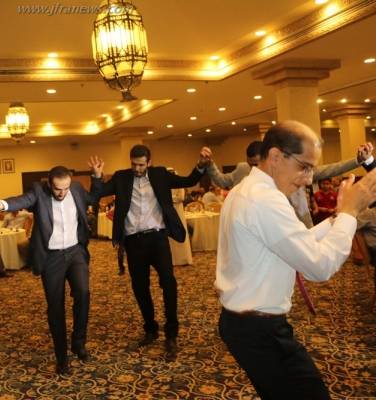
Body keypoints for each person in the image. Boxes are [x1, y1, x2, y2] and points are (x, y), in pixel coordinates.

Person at [216, 121, 376, 399]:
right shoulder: (264, 200)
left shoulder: (248, 190)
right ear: (276, 157)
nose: (308, 178)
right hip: (259, 330)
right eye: (304, 167)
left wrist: (338, 217)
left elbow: (295, 243)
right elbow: (319, 266)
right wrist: (350, 213)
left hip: (248, 324)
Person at [92, 144, 212, 360]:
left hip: (158, 239)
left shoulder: (160, 174)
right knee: (140, 287)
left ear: (149, 162)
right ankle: (150, 328)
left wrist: (201, 165)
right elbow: (99, 193)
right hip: (133, 241)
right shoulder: (121, 177)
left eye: (141, 165)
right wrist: (98, 176)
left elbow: (188, 181)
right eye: (134, 164)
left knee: (169, 283)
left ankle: (171, 333)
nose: (137, 169)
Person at [0, 163, 103, 375]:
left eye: (65, 188)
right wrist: (0, 204)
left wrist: (97, 177)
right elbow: (21, 200)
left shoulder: (75, 188)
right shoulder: (39, 191)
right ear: (49, 184)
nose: (62, 193)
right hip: (52, 257)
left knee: (83, 293)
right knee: (56, 307)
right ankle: (61, 357)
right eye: (57, 189)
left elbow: (93, 198)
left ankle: (78, 342)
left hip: (75, 252)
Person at [207, 140, 374, 227]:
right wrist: (209, 164)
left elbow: (328, 170)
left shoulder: (289, 168)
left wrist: (358, 160)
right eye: (251, 164)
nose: (255, 169)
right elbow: (221, 180)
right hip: (259, 226)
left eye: (258, 163)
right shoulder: (242, 169)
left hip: (295, 224)